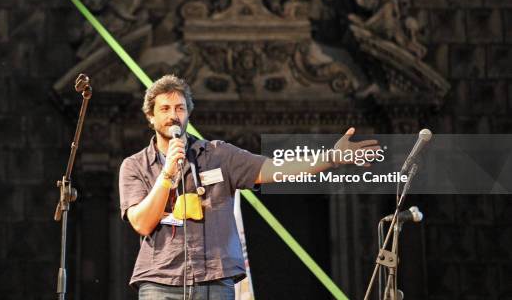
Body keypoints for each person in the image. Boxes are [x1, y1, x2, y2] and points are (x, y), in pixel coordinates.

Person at [118, 75, 378, 299]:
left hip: (215, 280)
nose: (173, 116)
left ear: (188, 113)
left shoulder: (218, 155)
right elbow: (141, 223)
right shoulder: (135, 166)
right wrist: (167, 173)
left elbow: (277, 168)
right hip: (160, 283)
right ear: (150, 117)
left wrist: (330, 158)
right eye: (164, 109)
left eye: (180, 108)